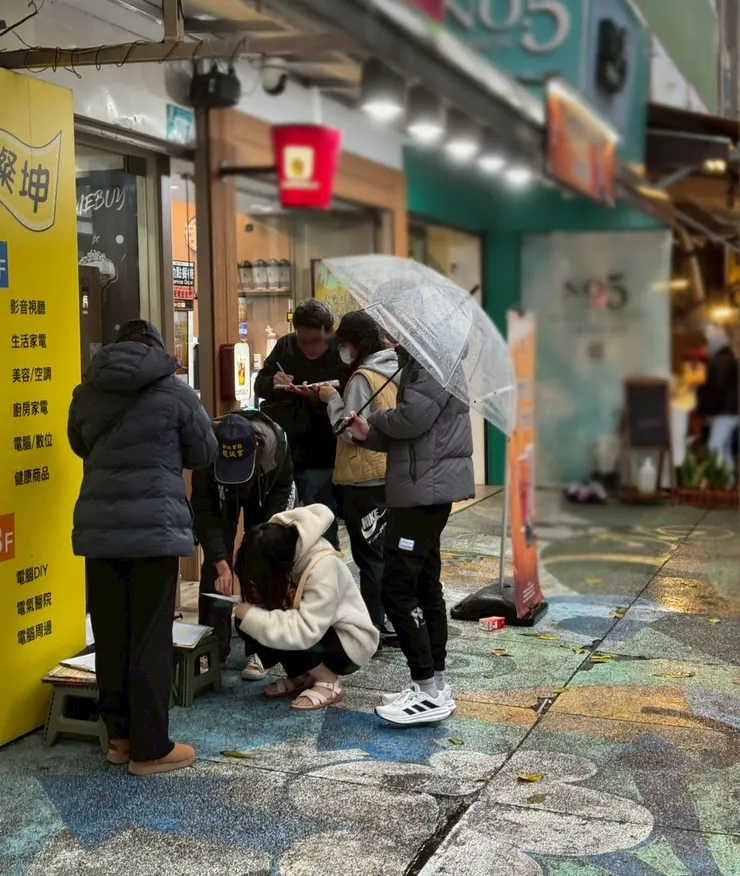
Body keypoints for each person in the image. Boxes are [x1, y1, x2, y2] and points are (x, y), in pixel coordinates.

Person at [67, 319, 218, 775]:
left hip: (100, 530)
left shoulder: (86, 392)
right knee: (150, 637)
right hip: (154, 530)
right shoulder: (175, 392)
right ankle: (151, 749)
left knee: (111, 634)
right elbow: (205, 453)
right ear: (155, 347)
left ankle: (119, 739)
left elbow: (80, 444)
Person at [345, 345, 474, 726]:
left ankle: (427, 688)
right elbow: (413, 433)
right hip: (421, 488)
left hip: (424, 491)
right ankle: (432, 683)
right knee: (424, 583)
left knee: (398, 585)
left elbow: (413, 419)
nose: (392, 332)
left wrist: (376, 417)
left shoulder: (435, 363)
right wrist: (368, 432)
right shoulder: (421, 361)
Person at [232, 504, 379, 710]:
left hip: (348, 644)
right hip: (320, 632)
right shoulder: (283, 551)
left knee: (276, 624)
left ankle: (329, 682)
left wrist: (255, 617)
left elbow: (306, 630)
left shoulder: (323, 566)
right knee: (249, 620)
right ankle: (302, 676)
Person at [191, 410, 294, 676]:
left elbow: (282, 492)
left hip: (266, 492)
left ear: (257, 448)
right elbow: (205, 514)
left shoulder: (277, 446)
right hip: (221, 494)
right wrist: (222, 564)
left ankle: (259, 650)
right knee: (216, 569)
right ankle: (212, 647)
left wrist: (263, 538)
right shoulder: (206, 451)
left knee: (260, 561)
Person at [318, 312, 399, 636]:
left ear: (357, 343)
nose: (343, 351)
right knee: (386, 550)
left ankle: (376, 624)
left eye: (345, 344)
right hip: (390, 472)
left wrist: (332, 399)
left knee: (369, 556)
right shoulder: (394, 368)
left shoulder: (363, 378)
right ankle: (395, 617)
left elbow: (348, 429)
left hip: (362, 477)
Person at [253, 299, 343, 549]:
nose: (308, 348)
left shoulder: (340, 353)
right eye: (302, 340)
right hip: (284, 451)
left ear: (329, 333)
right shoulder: (285, 346)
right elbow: (259, 384)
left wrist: (321, 398)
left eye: (315, 342)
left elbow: (350, 398)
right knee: (281, 523)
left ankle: (326, 577)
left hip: (322, 453)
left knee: (322, 524)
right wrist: (274, 382)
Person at [697, 323, 739, 478]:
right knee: (724, 448)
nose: (707, 346)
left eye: (708, 342)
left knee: (714, 447)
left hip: (724, 411)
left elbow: (716, 389)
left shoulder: (719, 362)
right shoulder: (729, 358)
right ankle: (728, 484)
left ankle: (719, 482)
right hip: (732, 410)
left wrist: (707, 412)